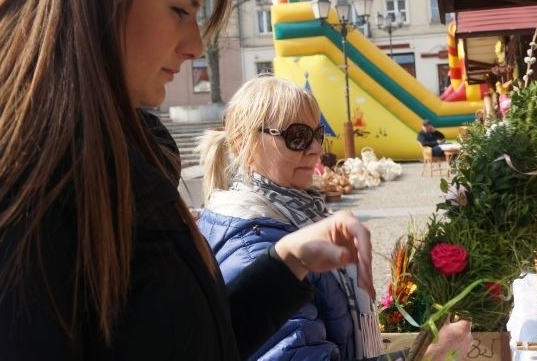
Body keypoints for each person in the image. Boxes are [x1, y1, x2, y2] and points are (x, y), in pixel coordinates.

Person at [0, 0, 374, 360]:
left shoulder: (116, 155)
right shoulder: (7, 198)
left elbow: (182, 340)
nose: (192, 45)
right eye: (180, 10)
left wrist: (287, 261)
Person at [197, 76, 472, 360]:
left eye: (318, 134)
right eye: (297, 136)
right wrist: (429, 356)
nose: (315, 148)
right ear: (245, 140)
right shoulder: (254, 245)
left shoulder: (293, 216)